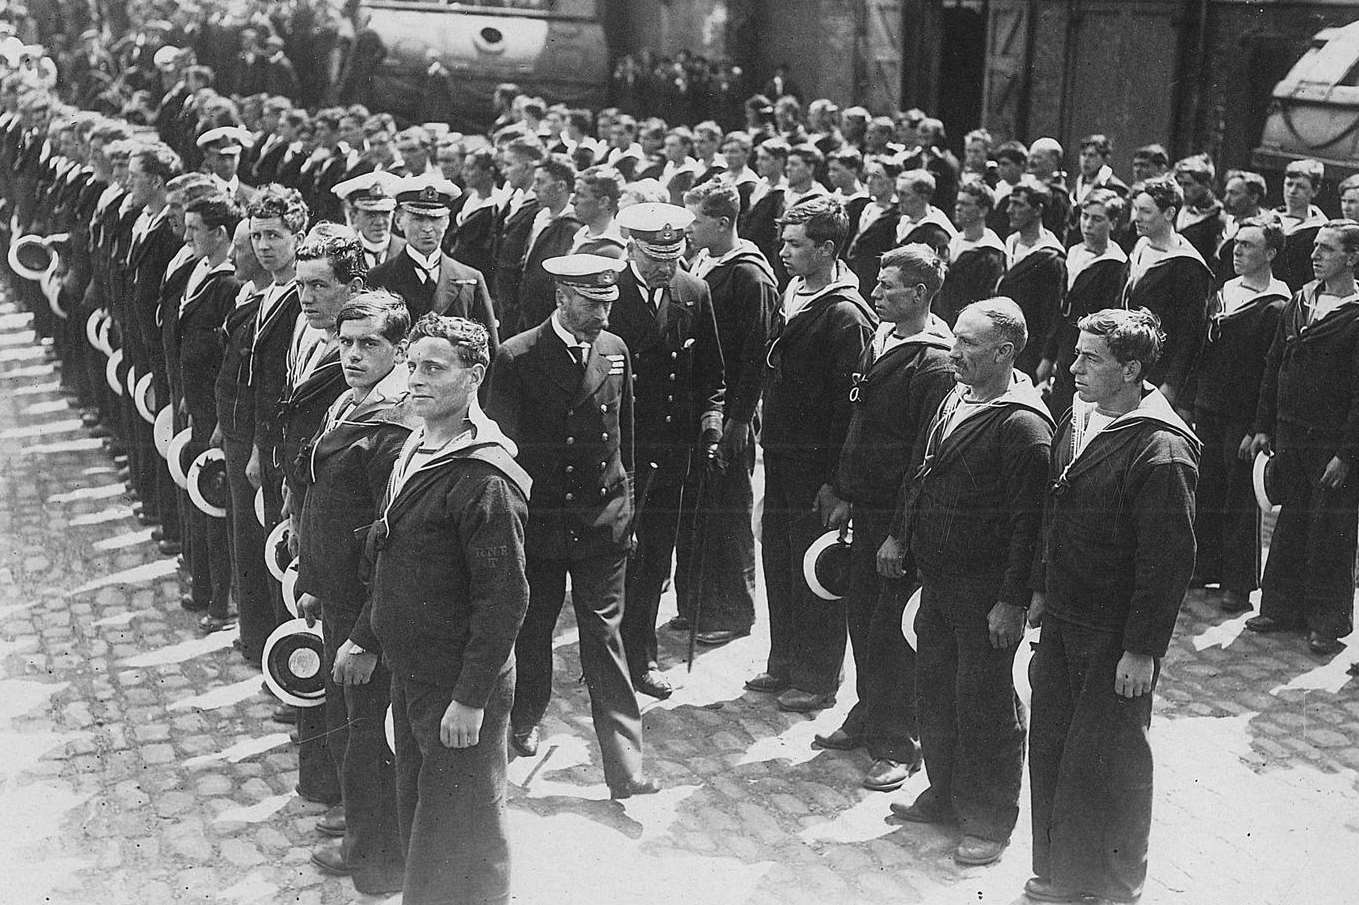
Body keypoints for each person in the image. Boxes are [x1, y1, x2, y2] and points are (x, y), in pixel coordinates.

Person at [1027, 307, 1200, 905]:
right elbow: (1058, 512)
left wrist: (1141, 650)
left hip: (1114, 633)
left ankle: (1113, 885)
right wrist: (1043, 587)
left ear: (1131, 369)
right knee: (1054, 749)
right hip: (1067, 617)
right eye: (1075, 353)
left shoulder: (1161, 449)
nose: (1073, 367)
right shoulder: (1085, 419)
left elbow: (1166, 565)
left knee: (1108, 762)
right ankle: (1061, 873)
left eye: (1089, 359)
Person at [365, 313, 530, 905]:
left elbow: (505, 599)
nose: (415, 379)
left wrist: (470, 698)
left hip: (459, 680)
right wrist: (367, 634)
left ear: (474, 376)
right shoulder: (416, 445)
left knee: (466, 825)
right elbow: (391, 550)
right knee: (427, 815)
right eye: (410, 366)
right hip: (417, 670)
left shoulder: (485, 478)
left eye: (433, 368)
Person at [485, 253, 659, 798]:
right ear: (561, 297)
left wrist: (627, 513)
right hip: (541, 524)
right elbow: (502, 454)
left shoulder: (615, 352)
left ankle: (626, 766)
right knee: (532, 627)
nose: (605, 313)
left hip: (601, 522)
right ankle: (525, 716)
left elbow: (625, 439)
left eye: (609, 302)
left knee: (605, 638)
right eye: (592, 303)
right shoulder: (517, 356)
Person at [892, 296, 1052, 866]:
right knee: (935, 689)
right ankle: (945, 793)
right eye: (954, 339)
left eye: (967, 344)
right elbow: (922, 469)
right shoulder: (956, 396)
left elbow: (1028, 525)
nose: (953, 352)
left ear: (1005, 352)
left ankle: (988, 818)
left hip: (985, 593)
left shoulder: (1023, 426)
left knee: (985, 702)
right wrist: (899, 536)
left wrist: (1011, 601)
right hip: (939, 580)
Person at [813, 244, 954, 791]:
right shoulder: (884, 339)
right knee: (864, 618)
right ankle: (869, 712)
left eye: (889, 285)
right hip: (867, 509)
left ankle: (899, 740)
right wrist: (844, 488)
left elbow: (923, 457)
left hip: (899, 522)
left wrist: (900, 533)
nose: (875, 293)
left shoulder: (934, 361)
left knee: (893, 629)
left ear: (920, 294)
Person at [297, 291, 416, 897]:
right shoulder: (350, 401)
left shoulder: (395, 424)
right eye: (345, 342)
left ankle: (379, 861)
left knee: (370, 730)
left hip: (373, 606)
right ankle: (361, 833)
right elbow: (327, 501)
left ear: (400, 350)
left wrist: (368, 632)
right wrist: (315, 581)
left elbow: (390, 543)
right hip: (338, 593)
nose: (352, 354)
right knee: (350, 725)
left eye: (370, 343)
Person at [749, 197, 874, 712]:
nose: (783, 252)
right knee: (777, 558)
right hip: (780, 456)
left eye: (795, 244)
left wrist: (838, 483)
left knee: (814, 568)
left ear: (826, 249)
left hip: (816, 470)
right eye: (784, 241)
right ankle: (784, 659)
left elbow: (851, 413)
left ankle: (819, 675)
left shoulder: (846, 315)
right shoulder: (794, 293)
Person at [610, 202, 725, 698]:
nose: (666, 266)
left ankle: (642, 657)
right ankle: (604, 654)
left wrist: (712, 417)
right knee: (610, 555)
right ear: (632, 248)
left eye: (673, 256)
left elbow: (711, 374)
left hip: (672, 449)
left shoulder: (693, 292)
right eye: (655, 257)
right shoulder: (606, 293)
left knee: (655, 556)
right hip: (616, 448)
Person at [1248, 219, 1359, 656]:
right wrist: (1262, 425)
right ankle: (1280, 607)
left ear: (1351, 257)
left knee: (1330, 528)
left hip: (1333, 445)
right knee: (1291, 521)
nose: (1315, 255)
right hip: (1291, 435)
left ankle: (1326, 623)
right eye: (1315, 247)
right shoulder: (1300, 301)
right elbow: (1274, 364)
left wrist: (1347, 455)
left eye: (1327, 249)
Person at [679, 181, 777, 644]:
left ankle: (734, 611)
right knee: (698, 509)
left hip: (730, 413)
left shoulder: (750, 276)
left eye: (695, 220)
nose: (688, 228)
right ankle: (698, 604)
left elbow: (756, 356)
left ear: (722, 223)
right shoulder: (704, 260)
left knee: (728, 511)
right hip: (703, 407)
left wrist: (738, 421)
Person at [1193, 216, 1288, 614]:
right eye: (1236, 243)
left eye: (1248, 245)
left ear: (1270, 253)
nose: (1237, 250)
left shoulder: (1278, 303)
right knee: (1208, 485)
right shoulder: (1226, 291)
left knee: (1239, 496)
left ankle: (1238, 583)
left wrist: (1258, 427)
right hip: (1210, 406)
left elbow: (1272, 370)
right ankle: (1205, 567)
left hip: (1243, 415)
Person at [175, 194, 242, 633]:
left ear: (219, 234)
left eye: (194, 228)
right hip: (197, 404)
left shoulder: (228, 285)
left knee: (216, 503)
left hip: (216, 412)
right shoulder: (202, 272)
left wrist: (220, 419)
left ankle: (223, 600)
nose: (187, 236)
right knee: (200, 497)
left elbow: (227, 359)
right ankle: (205, 586)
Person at [368, 174, 497, 344]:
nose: (427, 228)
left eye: (435, 219)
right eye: (418, 218)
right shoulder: (377, 279)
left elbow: (489, 351)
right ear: (399, 220)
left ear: (446, 221)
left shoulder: (470, 279)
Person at [1122, 176, 1213, 417]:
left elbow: (1190, 336)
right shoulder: (1140, 246)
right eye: (1135, 210)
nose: (1137, 217)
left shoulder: (1188, 264)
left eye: (1145, 211)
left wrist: (1171, 387)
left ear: (1169, 213)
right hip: (1125, 363)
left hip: (1158, 372)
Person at [1040, 189, 1129, 419]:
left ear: (1113, 223)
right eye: (1085, 216)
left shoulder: (1116, 265)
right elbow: (1061, 309)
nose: (1088, 225)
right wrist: (1048, 356)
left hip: (1088, 354)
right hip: (1063, 350)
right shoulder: (1074, 252)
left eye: (1097, 219)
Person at [996, 177, 1065, 379]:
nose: (1009, 210)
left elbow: (1052, 315)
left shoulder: (1051, 259)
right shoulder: (1010, 243)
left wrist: (1046, 358)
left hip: (1030, 350)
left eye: (1018, 205)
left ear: (1037, 209)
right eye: (1009, 203)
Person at [515, 153, 583, 334]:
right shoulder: (540, 216)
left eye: (541, 182)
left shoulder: (571, 227)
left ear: (561, 186)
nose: (535, 188)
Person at [937, 178, 1005, 325]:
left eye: (965, 204)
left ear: (983, 211)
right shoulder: (953, 241)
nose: (958, 208)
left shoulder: (990, 254)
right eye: (958, 202)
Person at [1273, 158, 1329, 293]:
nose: (1292, 191)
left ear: (1314, 191)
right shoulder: (1269, 220)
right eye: (1289, 184)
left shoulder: (1320, 230)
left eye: (1301, 186)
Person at [332, 170, 404, 269]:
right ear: (353, 217)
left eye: (385, 213)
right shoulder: (342, 255)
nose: (379, 222)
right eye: (371, 214)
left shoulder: (407, 251)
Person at [1214, 170, 1267, 287]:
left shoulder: (1264, 229)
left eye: (1234, 194)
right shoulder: (1223, 221)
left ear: (1253, 198)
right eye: (1226, 193)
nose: (1226, 199)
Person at [1172, 154, 1226, 266]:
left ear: (1207, 184)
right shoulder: (1173, 208)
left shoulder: (1218, 218)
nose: (1181, 189)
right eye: (1179, 184)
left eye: (1188, 184)